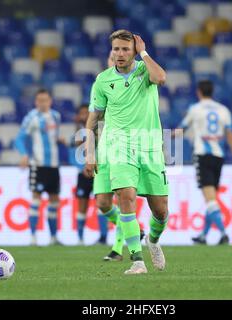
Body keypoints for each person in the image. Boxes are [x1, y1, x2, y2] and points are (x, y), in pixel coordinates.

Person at [84, 30, 169, 275]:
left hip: (150, 147)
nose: (120, 54)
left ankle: (152, 241)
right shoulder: (102, 80)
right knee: (126, 198)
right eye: (116, 49)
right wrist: (90, 152)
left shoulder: (145, 71)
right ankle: (137, 260)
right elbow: (94, 118)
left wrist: (144, 51)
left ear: (133, 51)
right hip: (118, 145)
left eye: (125, 49)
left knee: (160, 210)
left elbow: (161, 78)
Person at [177, 80, 232, 245]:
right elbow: (230, 136)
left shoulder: (195, 109)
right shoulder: (223, 110)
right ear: (212, 92)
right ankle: (203, 235)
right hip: (218, 156)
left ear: (199, 92)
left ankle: (223, 233)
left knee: (210, 200)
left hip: (203, 155)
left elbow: (181, 129)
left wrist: (164, 138)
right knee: (212, 198)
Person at [14, 88, 63, 246]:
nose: (42, 103)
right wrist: (24, 154)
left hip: (54, 165)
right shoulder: (32, 117)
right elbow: (19, 139)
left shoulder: (56, 116)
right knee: (36, 198)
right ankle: (33, 237)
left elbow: (52, 138)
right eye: (39, 100)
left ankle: (53, 238)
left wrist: (59, 139)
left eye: (45, 100)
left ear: (50, 101)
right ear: (36, 102)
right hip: (38, 165)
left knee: (54, 200)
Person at [72, 104, 110, 245]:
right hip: (83, 174)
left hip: (98, 171)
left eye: (86, 113)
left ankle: (103, 237)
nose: (84, 116)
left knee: (102, 203)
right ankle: (80, 238)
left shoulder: (99, 128)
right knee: (82, 204)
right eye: (81, 113)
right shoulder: (78, 132)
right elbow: (73, 153)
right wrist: (81, 166)